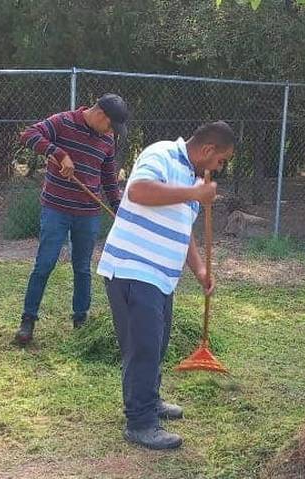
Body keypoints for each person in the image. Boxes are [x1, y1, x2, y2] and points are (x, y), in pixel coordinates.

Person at [96, 121, 235, 450]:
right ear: (208, 150)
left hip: (160, 277)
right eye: (221, 160)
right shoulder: (161, 153)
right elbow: (138, 191)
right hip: (133, 269)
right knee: (143, 347)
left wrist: (200, 269)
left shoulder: (190, 176)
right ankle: (141, 423)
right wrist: (195, 193)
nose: (220, 167)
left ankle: (149, 400)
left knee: (154, 345)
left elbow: (181, 228)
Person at [15, 94, 129, 344]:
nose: (112, 131)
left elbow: (108, 178)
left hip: (88, 213)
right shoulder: (63, 122)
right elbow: (29, 135)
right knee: (44, 264)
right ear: (100, 115)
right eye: (111, 125)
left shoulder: (107, 138)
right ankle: (28, 321)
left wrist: (119, 208)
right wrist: (58, 153)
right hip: (56, 208)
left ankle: (80, 322)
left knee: (82, 268)